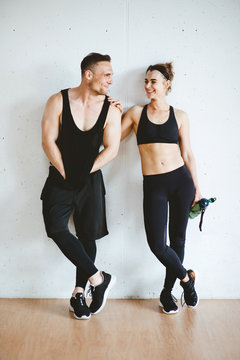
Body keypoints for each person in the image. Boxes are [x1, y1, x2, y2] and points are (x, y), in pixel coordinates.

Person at [41, 53, 121, 320]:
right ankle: (99, 279)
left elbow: (112, 149)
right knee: (56, 228)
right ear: (89, 75)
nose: (111, 80)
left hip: (91, 178)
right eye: (106, 74)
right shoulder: (57, 100)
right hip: (60, 176)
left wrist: (85, 170)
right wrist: (65, 172)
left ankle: (78, 294)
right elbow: (47, 141)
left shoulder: (111, 108)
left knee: (87, 237)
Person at [120, 62, 201, 314]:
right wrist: (112, 112)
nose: (148, 86)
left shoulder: (181, 116)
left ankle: (167, 292)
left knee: (177, 241)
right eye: (146, 81)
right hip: (154, 184)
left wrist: (197, 188)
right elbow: (110, 139)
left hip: (181, 182)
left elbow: (187, 154)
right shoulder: (135, 113)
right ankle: (186, 280)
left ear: (167, 84)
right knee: (157, 244)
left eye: (153, 81)